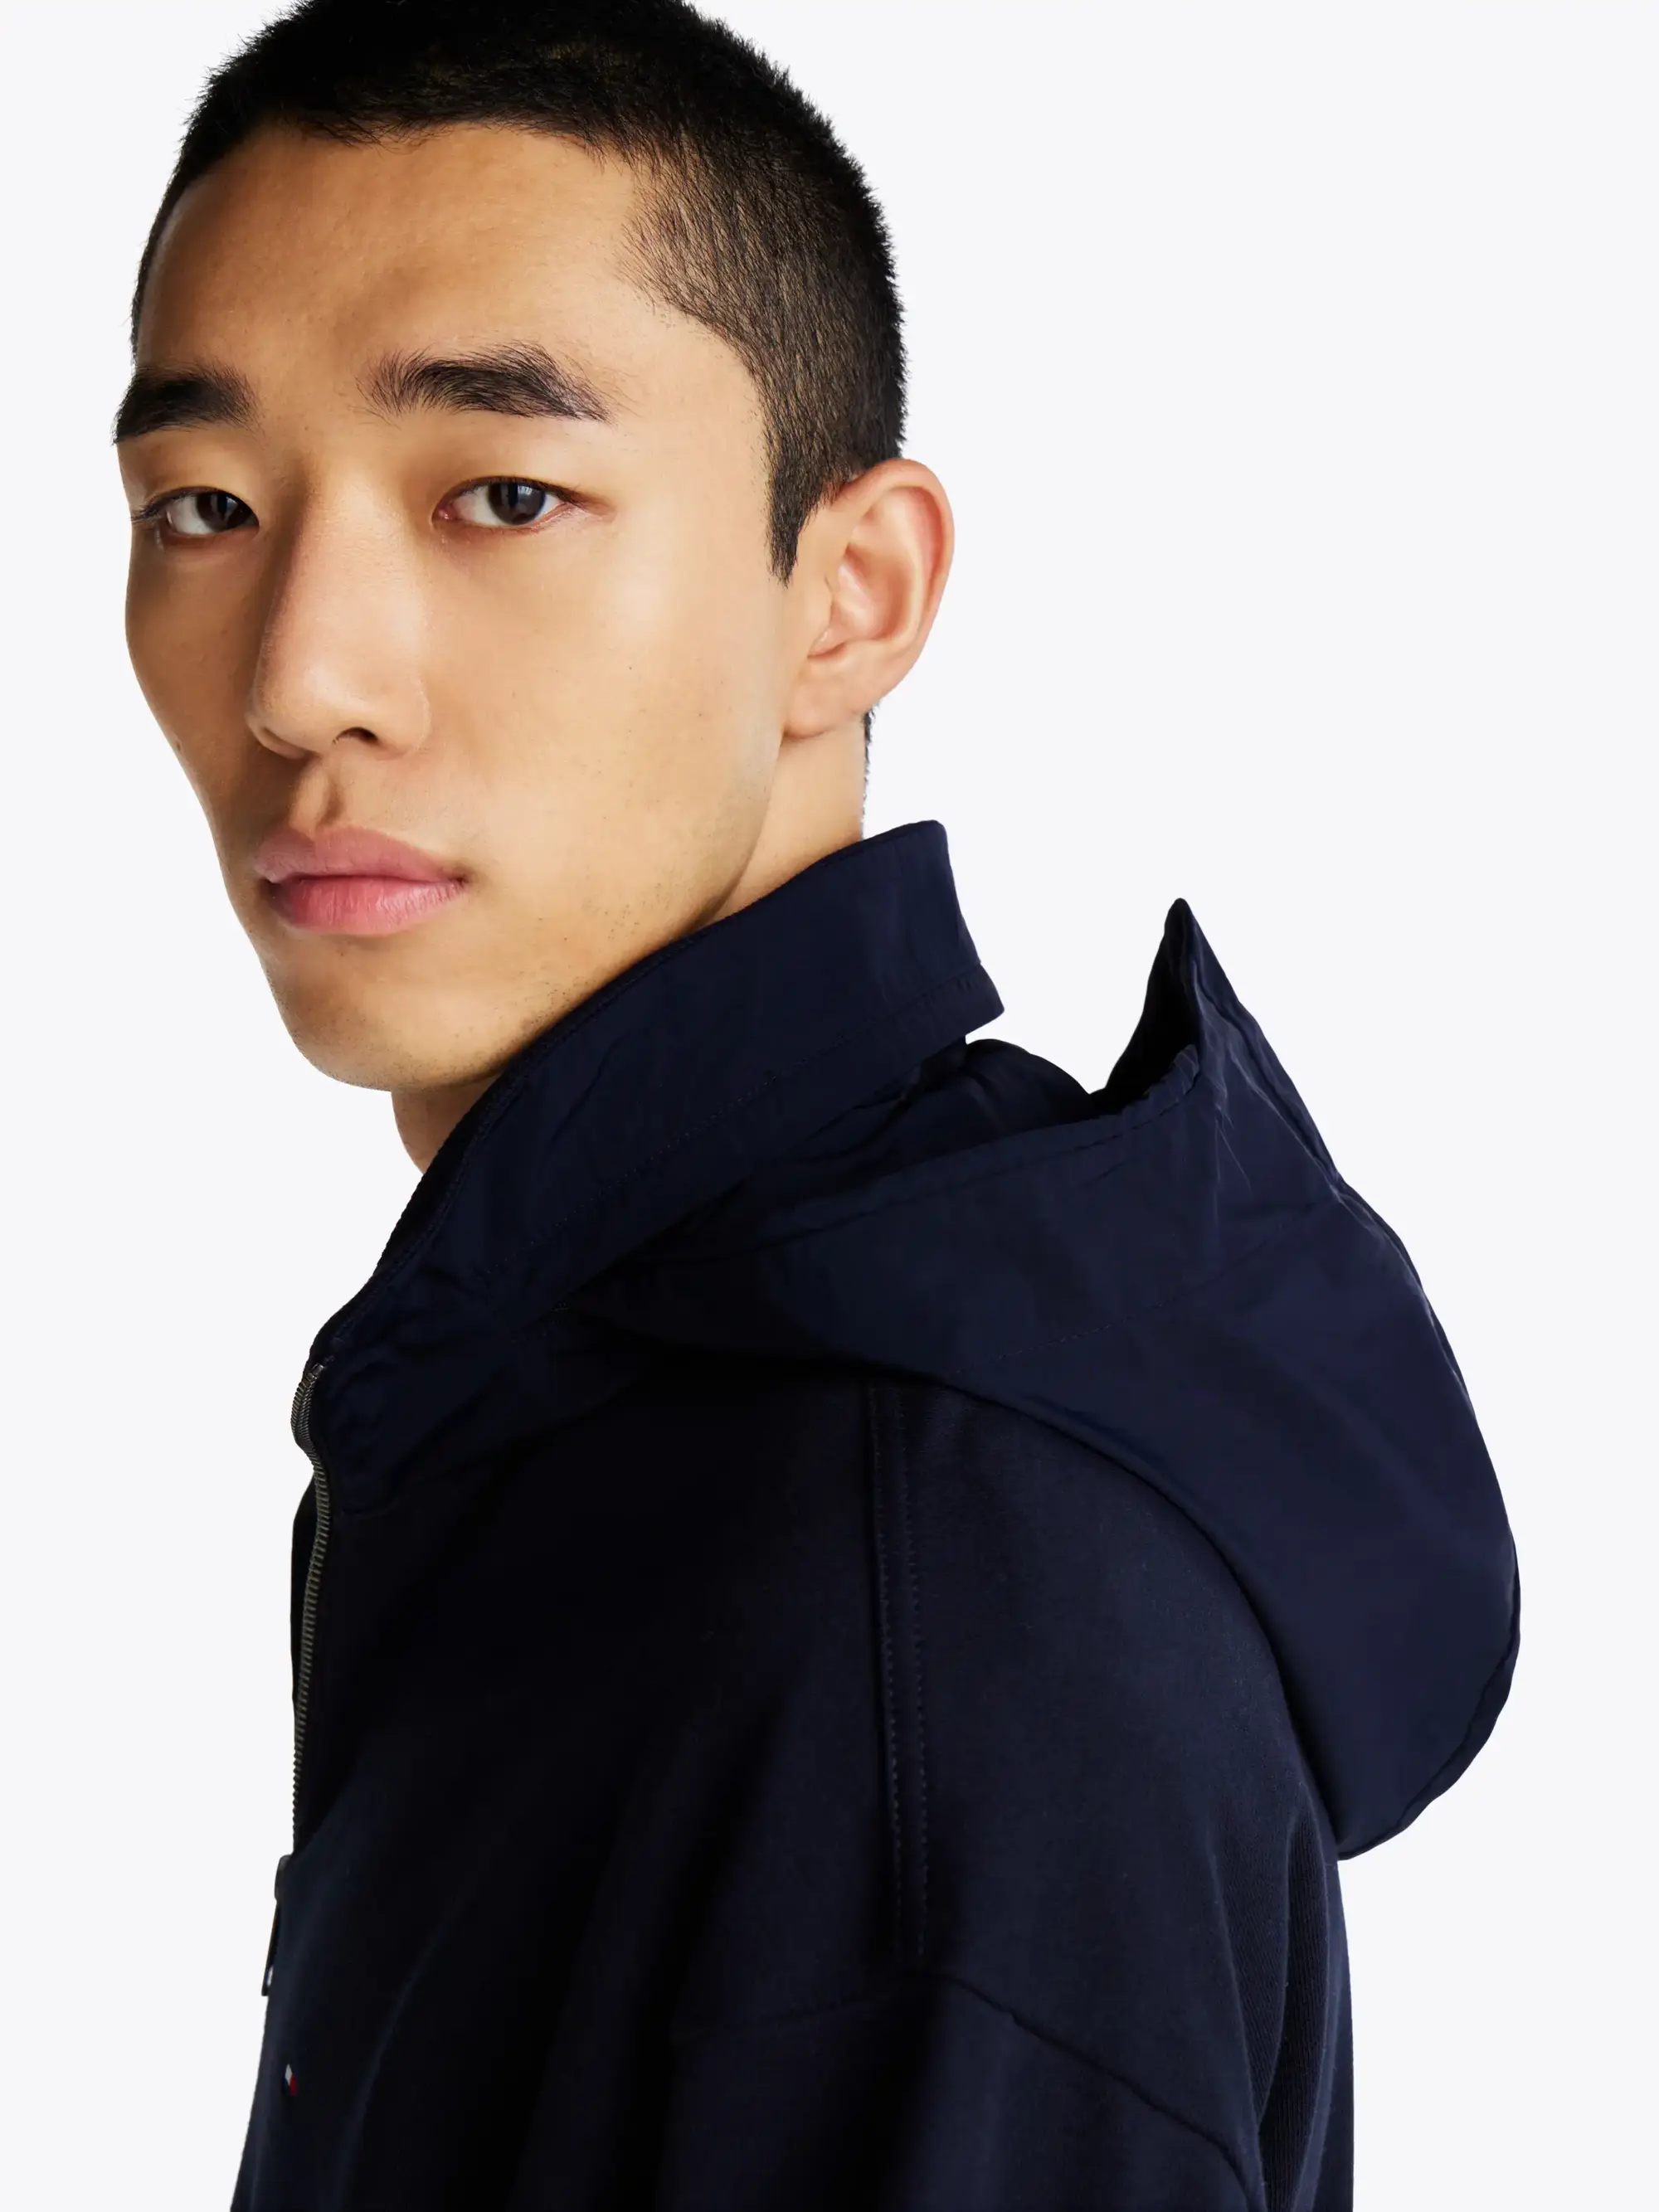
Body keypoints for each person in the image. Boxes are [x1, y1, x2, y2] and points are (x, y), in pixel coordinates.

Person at [114, 2, 1518, 2205]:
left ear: (847, 600)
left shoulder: (918, 1629)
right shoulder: (585, 1419)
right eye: (206, 507)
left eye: (503, 495)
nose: (300, 676)